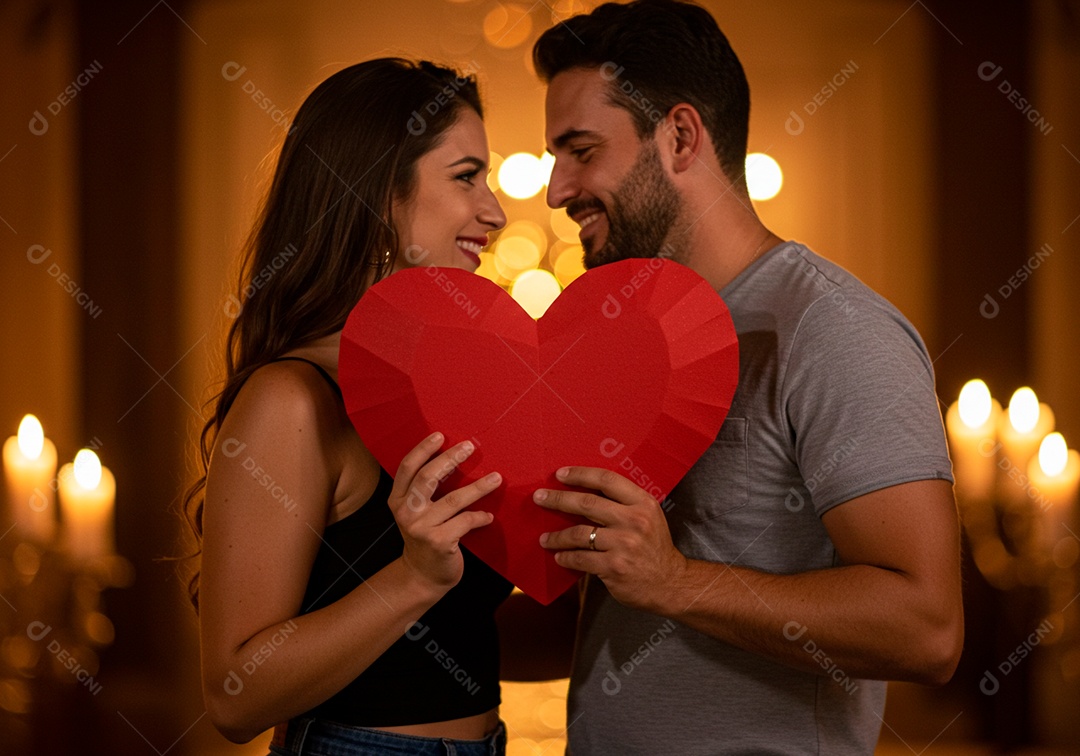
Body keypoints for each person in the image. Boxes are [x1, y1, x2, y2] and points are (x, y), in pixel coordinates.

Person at [530, 1, 964, 753]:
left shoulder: (835, 330)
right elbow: (605, 610)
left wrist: (675, 580)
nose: (555, 191)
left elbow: (927, 629)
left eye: (580, 150)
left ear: (680, 137)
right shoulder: (619, 341)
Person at [183, 58, 516, 755]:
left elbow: (453, 642)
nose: (496, 210)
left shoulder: (450, 389)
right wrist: (414, 578)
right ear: (379, 194)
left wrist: (614, 581)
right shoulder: (294, 399)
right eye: (466, 176)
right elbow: (232, 698)